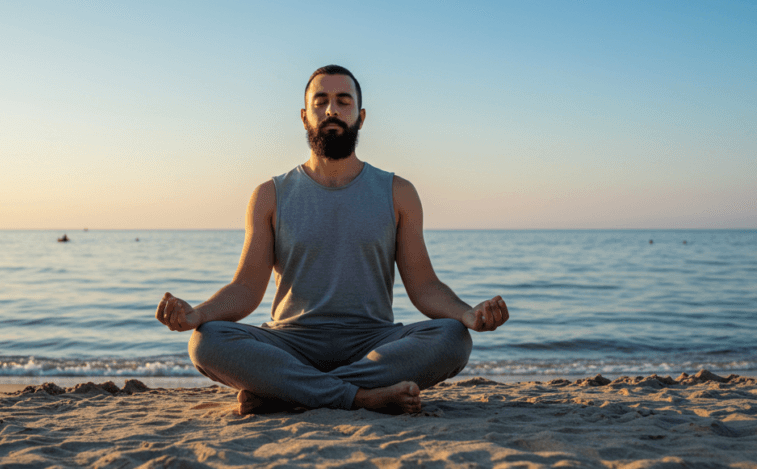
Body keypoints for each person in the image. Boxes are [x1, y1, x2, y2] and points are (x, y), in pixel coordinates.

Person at [156, 65, 509, 414]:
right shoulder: (270, 195)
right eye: (321, 101)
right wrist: (197, 314)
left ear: (361, 115)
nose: (331, 110)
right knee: (207, 340)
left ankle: (286, 391)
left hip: (372, 343)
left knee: (452, 338)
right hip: (291, 342)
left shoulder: (398, 193)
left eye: (343, 101)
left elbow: (424, 286)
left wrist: (466, 313)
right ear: (304, 115)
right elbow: (246, 288)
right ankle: (360, 397)